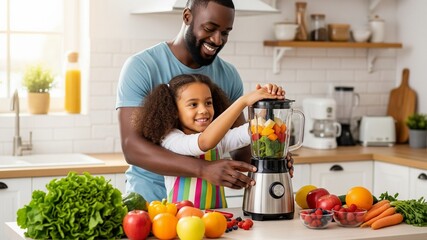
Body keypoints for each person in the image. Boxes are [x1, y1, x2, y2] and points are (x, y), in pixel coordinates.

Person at [116, 0, 294, 202]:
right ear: (187, 17)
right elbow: (132, 147)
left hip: (206, 208)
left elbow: (240, 146)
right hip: (150, 201)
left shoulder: (228, 75)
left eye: (225, 33)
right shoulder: (142, 67)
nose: (218, 40)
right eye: (210, 28)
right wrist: (202, 169)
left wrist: (270, 157)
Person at [131, 74, 284, 209]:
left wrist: (264, 107)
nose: (203, 110)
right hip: (181, 222)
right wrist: (242, 102)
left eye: (208, 103)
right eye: (193, 104)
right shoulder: (171, 139)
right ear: (174, 110)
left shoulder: (219, 138)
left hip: (218, 219)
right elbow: (203, 143)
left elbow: (249, 131)